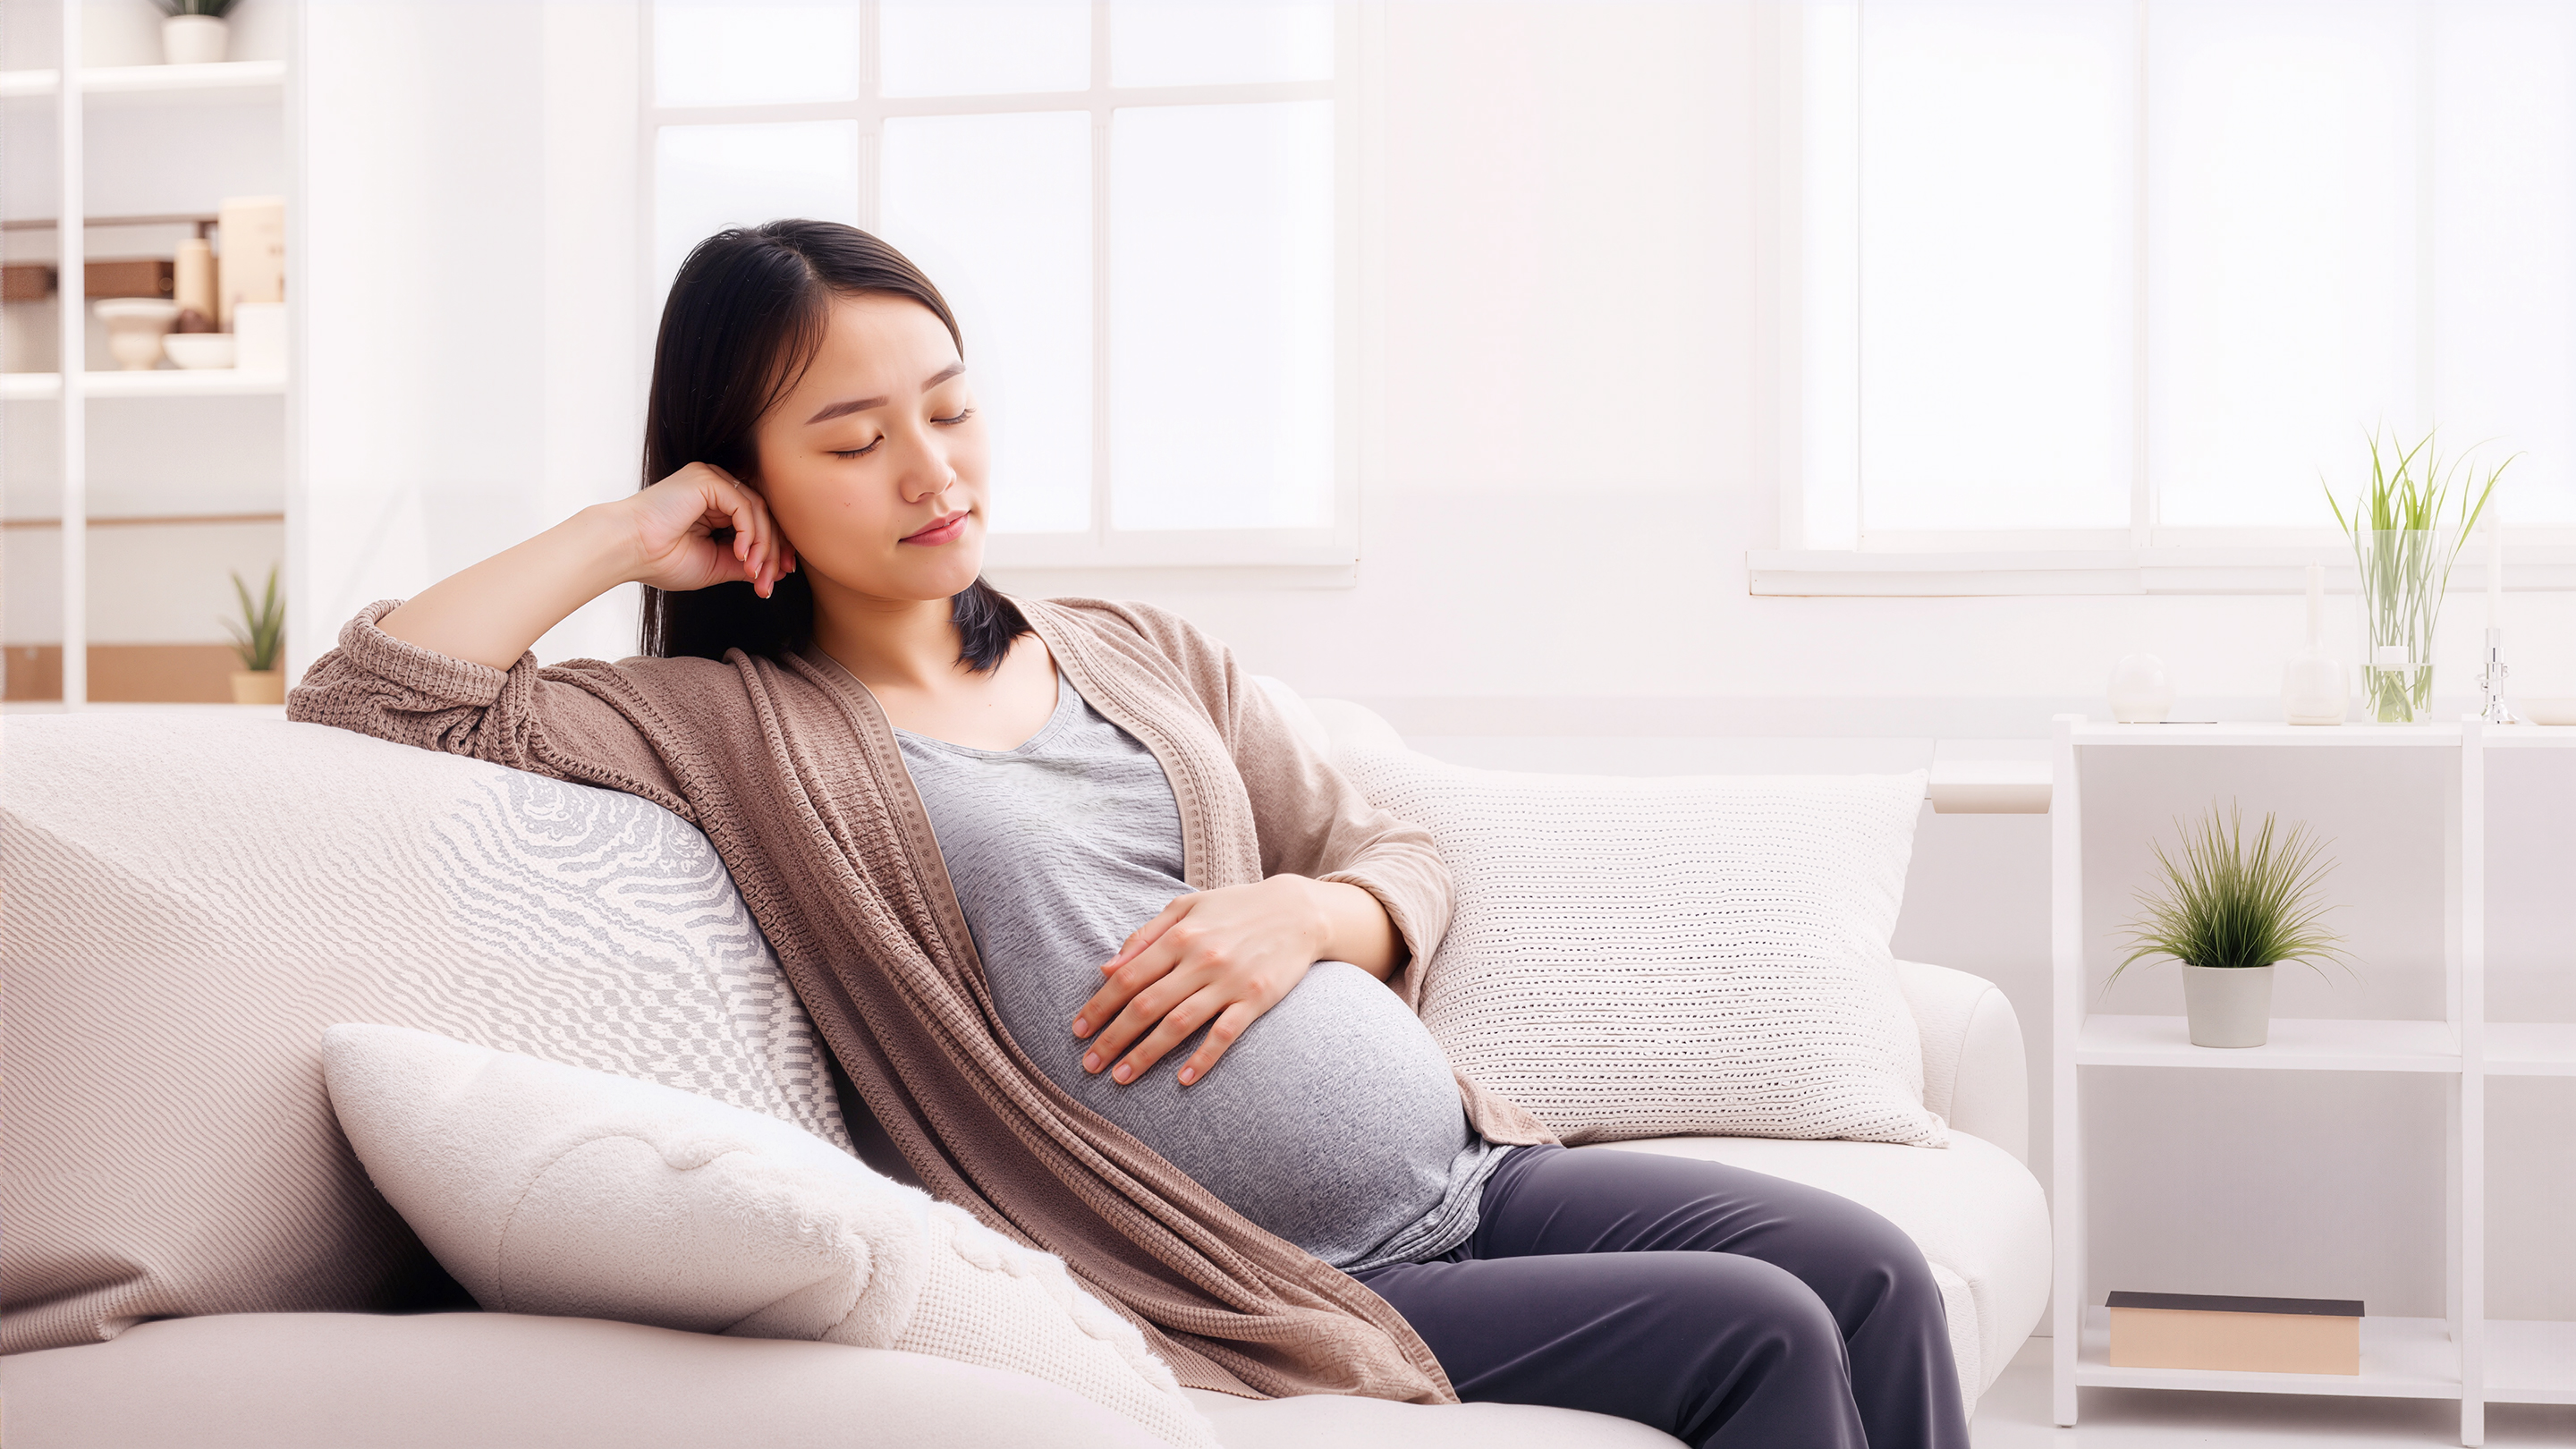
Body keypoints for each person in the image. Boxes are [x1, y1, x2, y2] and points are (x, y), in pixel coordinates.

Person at [289, 219, 1966, 1449]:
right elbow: (380, 696)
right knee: (1754, 1334)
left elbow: (1396, 847)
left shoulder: (1132, 653)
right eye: (854, 443)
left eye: (948, 410)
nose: (931, 469)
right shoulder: (728, 735)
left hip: (1475, 1177)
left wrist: (1319, 920)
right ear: (747, 485)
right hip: (1244, 1266)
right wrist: (619, 530)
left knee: (1874, 1270)